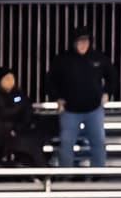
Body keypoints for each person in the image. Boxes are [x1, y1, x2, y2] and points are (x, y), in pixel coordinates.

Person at [49, 27, 115, 168]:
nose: (83, 44)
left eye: (86, 41)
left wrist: (107, 92)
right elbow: (50, 81)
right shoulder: (63, 59)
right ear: (74, 43)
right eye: (80, 41)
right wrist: (57, 98)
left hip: (94, 109)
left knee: (98, 142)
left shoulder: (99, 58)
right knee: (66, 143)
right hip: (69, 111)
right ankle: (66, 175)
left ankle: (98, 174)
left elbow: (112, 77)